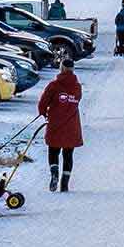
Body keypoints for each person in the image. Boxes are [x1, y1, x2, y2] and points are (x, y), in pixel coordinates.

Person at [38, 60, 84, 191]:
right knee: (68, 154)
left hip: (55, 123)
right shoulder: (77, 87)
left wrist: (43, 113)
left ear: (61, 68)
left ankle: (54, 173)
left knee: (53, 151)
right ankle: (65, 183)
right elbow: (77, 100)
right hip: (72, 125)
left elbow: (43, 102)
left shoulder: (54, 85)